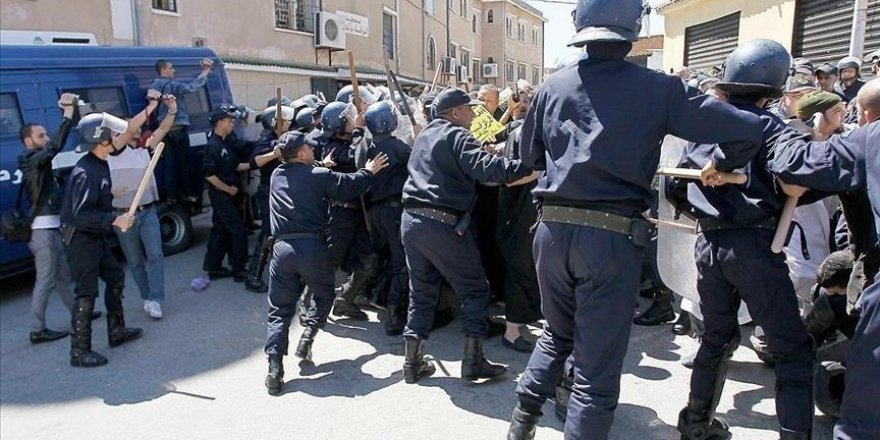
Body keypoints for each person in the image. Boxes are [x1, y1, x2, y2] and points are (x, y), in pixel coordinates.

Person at [503, 1, 766, 438]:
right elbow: (746, 128)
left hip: (551, 232)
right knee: (594, 372)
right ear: (634, 27)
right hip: (608, 236)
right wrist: (722, 164)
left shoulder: (552, 86)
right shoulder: (658, 88)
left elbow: (529, 156)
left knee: (556, 335)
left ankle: (520, 427)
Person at [675, 39, 816, 440]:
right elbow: (798, 177)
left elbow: (677, 190)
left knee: (717, 337)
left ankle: (696, 425)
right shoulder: (771, 126)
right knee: (791, 349)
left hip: (709, 246)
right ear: (773, 86)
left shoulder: (703, 126)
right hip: (755, 247)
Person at [767, 77, 879, 440]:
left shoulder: (866, 140)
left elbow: (793, 169)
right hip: (858, 264)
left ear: (862, 115)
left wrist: (811, 132)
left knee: (864, 419)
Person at [400, 87, 533, 384]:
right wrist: (527, 167)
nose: (475, 114)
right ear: (456, 112)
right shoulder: (457, 135)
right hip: (442, 223)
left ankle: (412, 363)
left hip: (411, 221)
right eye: (470, 110)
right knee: (475, 290)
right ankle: (473, 362)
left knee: (421, 292)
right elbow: (487, 170)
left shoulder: (424, 137)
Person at [263, 130, 387, 395]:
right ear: (300, 154)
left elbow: (303, 178)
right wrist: (368, 170)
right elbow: (350, 184)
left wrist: (322, 166)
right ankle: (308, 335)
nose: (312, 149)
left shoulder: (277, 175)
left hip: (282, 250)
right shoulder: (318, 176)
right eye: (308, 147)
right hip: (312, 248)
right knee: (324, 295)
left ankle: (274, 368)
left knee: (279, 310)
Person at [60, 112, 143, 367]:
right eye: (113, 135)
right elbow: (80, 215)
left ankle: (116, 330)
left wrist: (111, 195)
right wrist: (114, 220)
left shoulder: (100, 162)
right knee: (86, 293)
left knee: (115, 276)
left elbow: (95, 200)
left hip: (94, 235)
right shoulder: (85, 171)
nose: (117, 138)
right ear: (102, 139)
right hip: (80, 239)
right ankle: (79, 351)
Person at [18, 93, 81, 343]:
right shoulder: (31, 160)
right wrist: (67, 115)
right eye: (40, 135)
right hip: (42, 232)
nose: (45, 139)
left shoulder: (38, 163)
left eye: (45, 134)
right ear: (28, 140)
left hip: (51, 228)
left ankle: (79, 313)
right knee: (45, 280)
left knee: (63, 275)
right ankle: (37, 329)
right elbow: (55, 147)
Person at [109, 92, 177, 319]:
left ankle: (156, 299)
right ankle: (146, 296)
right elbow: (129, 128)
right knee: (135, 261)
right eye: (131, 127)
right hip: (123, 216)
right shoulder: (113, 152)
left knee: (155, 255)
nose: (136, 130)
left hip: (147, 212)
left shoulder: (145, 150)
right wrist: (152, 105)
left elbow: (164, 129)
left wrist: (171, 109)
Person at [318, 100, 375, 321]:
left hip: (358, 212)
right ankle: (308, 304)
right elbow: (357, 159)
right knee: (329, 261)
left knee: (368, 256)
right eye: (349, 117)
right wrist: (360, 129)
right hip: (340, 214)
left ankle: (345, 298)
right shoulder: (333, 148)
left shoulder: (348, 140)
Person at [363, 101, 412, 336]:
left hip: (375, 212)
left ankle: (379, 297)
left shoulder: (365, 146)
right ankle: (394, 315)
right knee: (400, 262)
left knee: (388, 258)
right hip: (393, 211)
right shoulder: (396, 147)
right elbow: (417, 162)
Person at [244, 105, 295, 293]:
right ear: (275, 123)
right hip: (269, 192)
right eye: (286, 121)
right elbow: (254, 162)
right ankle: (253, 276)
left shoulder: (284, 138)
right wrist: (274, 153)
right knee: (267, 233)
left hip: (283, 191)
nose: (289, 124)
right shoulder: (266, 140)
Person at [149, 57, 213, 203]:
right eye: (171, 68)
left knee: (169, 165)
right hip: (178, 128)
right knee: (183, 164)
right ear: (164, 70)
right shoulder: (171, 85)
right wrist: (205, 71)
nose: (174, 70)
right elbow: (191, 88)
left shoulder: (154, 85)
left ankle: (171, 197)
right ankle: (188, 194)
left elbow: (151, 98)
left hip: (164, 132)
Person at [202, 106, 251, 282]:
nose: (232, 123)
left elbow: (237, 166)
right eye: (229, 121)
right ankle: (239, 270)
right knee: (238, 231)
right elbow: (209, 175)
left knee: (220, 230)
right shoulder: (212, 146)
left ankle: (213, 267)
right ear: (219, 123)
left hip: (229, 195)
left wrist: (260, 160)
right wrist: (227, 189)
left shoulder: (224, 143)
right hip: (222, 195)